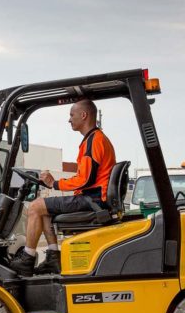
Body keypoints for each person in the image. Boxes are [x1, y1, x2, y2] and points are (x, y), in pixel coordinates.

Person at [9, 99, 116, 275]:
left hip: (91, 199)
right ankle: (53, 258)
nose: (69, 119)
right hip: (92, 198)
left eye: (71, 115)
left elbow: (86, 180)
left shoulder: (94, 141)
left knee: (35, 207)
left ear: (84, 115)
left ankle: (26, 259)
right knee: (43, 208)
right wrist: (51, 182)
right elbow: (85, 177)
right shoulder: (94, 139)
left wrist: (54, 183)